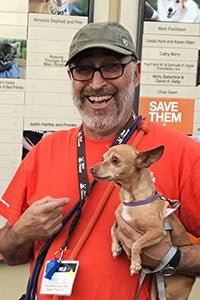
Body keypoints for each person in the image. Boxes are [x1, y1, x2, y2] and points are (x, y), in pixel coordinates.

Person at [0, 21, 200, 300]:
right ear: (72, 77)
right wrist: (21, 232)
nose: (96, 83)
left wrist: (171, 257)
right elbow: (10, 253)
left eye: (111, 66)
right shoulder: (43, 151)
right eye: (83, 69)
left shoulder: (181, 152)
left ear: (137, 72)